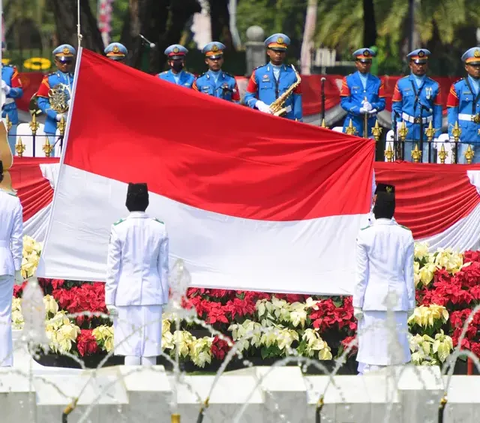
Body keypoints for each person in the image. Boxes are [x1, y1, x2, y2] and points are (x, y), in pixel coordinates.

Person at [105, 183, 169, 366]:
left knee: (130, 349)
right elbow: (163, 267)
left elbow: (113, 268)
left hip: (126, 295)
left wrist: (110, 299)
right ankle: (150, 392)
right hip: (153, 294)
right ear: (146, 201)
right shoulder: (159, 228)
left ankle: (132, 392)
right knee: (150, 350)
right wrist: (164, 298)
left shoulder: (119, 228)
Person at [353, 183, 414, 375]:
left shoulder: (365, 235)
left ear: (375, 206)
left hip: (373, 302)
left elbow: (362, 275)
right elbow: (409, 274)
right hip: (398, 301)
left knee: (371, 359)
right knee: (396, 360)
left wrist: (357, 303)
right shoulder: (405, 235)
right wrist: (411, 304)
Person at [392, 49, 442, 162]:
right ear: (411, 64)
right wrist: (396, 127)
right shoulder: (401, 83)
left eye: (423, 63)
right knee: (407, 164)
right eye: (417, 63)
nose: (420, 67)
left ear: (427, 65)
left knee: (426, 165)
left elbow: (438, 111)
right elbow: (396, 107)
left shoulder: (434, 85)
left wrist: (437, 134)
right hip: (407, 129)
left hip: (426, 130)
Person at [244, 33, 302, 121]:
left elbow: (297, 101)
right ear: (268, 52)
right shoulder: (258, 72)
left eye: (281, 51)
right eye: (275, 51)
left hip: (288, 120)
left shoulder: (293, 74)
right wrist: (259, 104)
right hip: (265, 119)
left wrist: (298, 120)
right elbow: (248, 97)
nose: (278, 54)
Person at [0, 160, 23, 367]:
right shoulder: (12, 202)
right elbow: (17, 239)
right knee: (4, 313)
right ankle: (5, 362)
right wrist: (17, 268)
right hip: (5, 262)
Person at [37, 44, 76, 154]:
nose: (65, 64)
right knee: (51, 156)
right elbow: (41, 101)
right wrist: (55, 115)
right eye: (62, 61)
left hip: (73, 123)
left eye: (68, 61)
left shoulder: (78, 77)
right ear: (56, 62)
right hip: (53, 123)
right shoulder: (50, 79)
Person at [340, 48, 386, 137]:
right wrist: (358, 109)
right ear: (356, 63)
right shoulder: (348, 80)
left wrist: (372, 106)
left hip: (371, 124)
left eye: (367, 62)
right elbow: (344, 102)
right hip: (353, 123)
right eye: (362, 62)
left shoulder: (377, 81)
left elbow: (382, 102)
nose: (365, 65)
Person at [447, 47, 480, 164]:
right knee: (464, 171)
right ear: (466, 67)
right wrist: (452, 134)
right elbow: (452, 112)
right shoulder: (458, 87)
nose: (477, 68)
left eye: (479, 65)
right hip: (464, 135)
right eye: (474, 65)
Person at [1, 44, 24, 155]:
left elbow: (19, 92)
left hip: (8, 112)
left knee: (10, 151)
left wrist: (8, 89)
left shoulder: (9, 71)